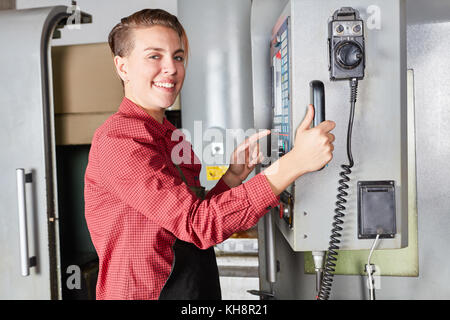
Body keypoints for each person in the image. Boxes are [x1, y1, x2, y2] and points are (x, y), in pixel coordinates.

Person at [84, 8, 335, 300]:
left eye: (178, 57)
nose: (171, 68)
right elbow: (197, 226)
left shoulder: (169, 135)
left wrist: (230, 179)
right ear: (122, 67)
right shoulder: (121, 140)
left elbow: (191, 222)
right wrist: (292, 164)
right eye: (155, 56)